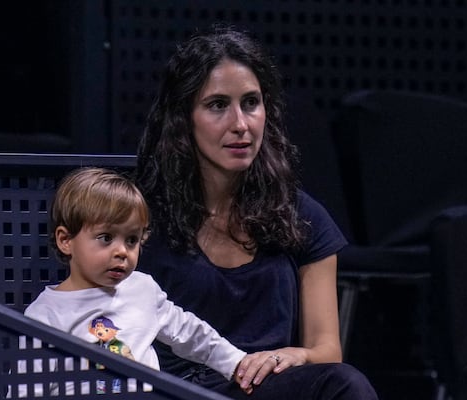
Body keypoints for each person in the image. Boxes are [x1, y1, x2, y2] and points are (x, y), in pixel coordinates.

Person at [134, 25, 379, 399]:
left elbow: (327, 350)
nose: (240, 124)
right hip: (173, 390)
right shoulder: (140, 215)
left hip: (264, 386)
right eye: (218, 105)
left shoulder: (300, 214)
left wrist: (294, 355)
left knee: (344, 384)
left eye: (251, 103)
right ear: (184, 117)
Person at [22, 167, 254, 395]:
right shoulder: (45, 315)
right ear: (66, 240)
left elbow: (190, 333)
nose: (122, 251)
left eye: (132, 240)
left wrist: (237, 363)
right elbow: (28, 389)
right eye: (106, 238)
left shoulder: (142, 289)